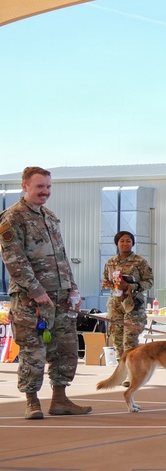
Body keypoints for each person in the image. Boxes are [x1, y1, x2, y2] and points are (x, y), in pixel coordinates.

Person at [0, 166, 91, 419]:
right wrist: (36, 290)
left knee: (66, 348)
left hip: (61, 296)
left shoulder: (49, 216)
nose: (45, 192)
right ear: (25, 186)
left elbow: (62, 257)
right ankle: (32, 402)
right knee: (34, 350)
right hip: (32, 299)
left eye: (48, 187)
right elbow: (14, 259)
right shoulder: (12, 218)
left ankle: (60, 400)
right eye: (40, 187)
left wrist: (73, 289)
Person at [101, 230, 154, 361]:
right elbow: (107, 281)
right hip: (115, 305)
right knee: (117, 339)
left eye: (128, 241)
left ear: (133, 243)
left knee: (130, 340)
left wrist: (131, 286)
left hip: (133, 304)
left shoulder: (139, 262)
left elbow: (149, 282)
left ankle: (132, 374)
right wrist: (107, 284)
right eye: (122, 241)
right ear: (117, 243)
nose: (125, 244)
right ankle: (122, 370)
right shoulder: (110, 262)